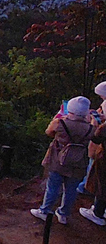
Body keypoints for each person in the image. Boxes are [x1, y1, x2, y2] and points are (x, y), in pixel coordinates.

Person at [31, 95, 94, 225]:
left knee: (53, 187)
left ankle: (45, 211)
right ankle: (64, 214)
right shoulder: (90, 128)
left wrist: (57, 117)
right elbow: (96, 138)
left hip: (58, 161)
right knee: (71, 190)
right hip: (79, 163)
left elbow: (49, 132)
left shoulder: (61, 123)